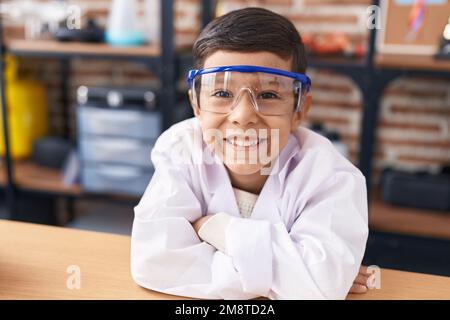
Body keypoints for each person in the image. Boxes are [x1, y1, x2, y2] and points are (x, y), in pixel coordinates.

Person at [131, 7, 370, 299]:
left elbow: (322, 287)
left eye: (268, 95)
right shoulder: (181, 150)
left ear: (299, 109)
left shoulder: (330, 177)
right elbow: (154, 264)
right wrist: (291, 275)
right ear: (196, 104)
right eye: (221, 94)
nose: (243, 116)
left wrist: (217, 229)